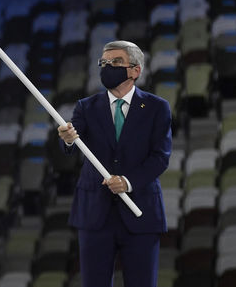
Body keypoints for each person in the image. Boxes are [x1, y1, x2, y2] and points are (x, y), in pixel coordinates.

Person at [57, 40, 172, 287]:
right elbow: (69, 148)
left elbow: (160, 157)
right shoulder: (85, 107)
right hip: (94, 215)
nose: (108, 67)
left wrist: (128, 182)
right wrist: (67, 140)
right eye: (104, 63)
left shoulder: (157, 108)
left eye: (116, 62)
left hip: (141, 212)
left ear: (135, 70)